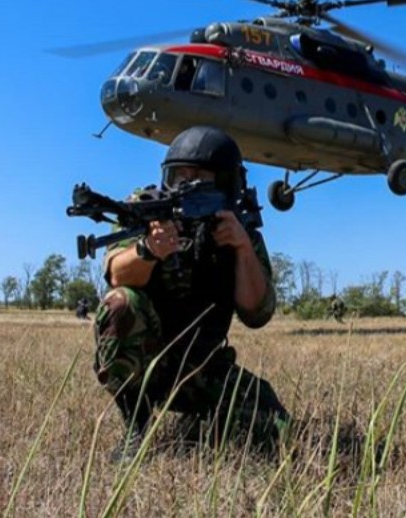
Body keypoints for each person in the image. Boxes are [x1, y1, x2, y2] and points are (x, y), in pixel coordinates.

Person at [92, 126, 290, 461]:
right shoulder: (148, 211)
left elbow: (257, 313)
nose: (186, 184)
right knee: (120, 304)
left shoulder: (240, 228)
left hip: (206, 366)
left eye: (199, 177)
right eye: (180, 175)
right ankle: (136, 427)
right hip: (149, 361)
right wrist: (148, 249)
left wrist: (242, 247)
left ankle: (200, 422)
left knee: (276, 430)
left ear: (225, 183)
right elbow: (115, 274)